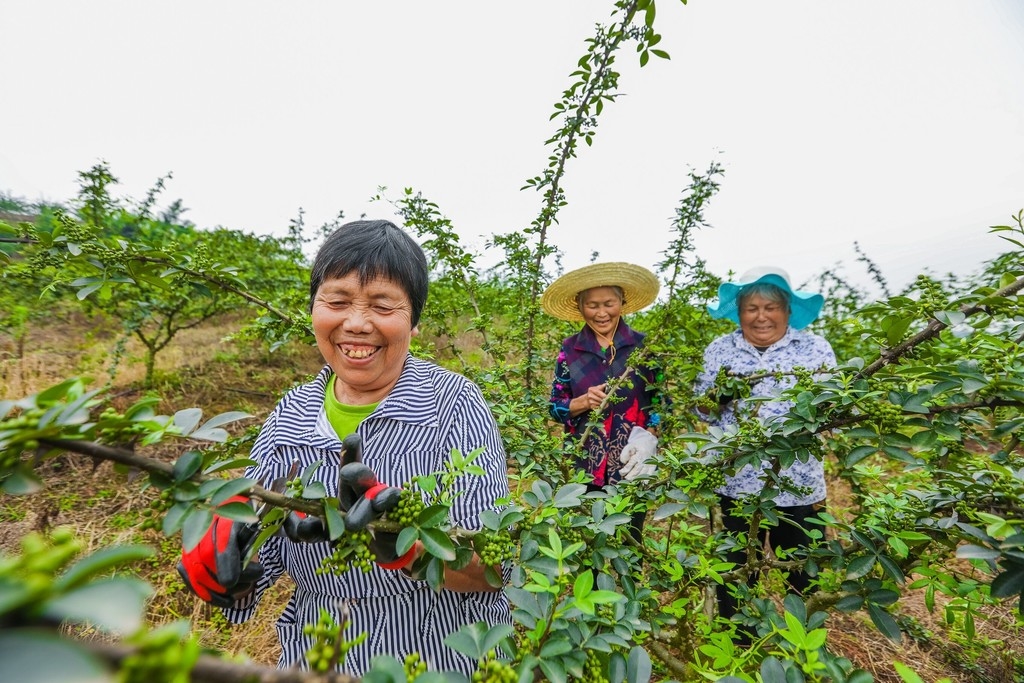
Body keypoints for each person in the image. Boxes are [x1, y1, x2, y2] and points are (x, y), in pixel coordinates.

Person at [178, 219, 511, 676]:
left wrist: (409, 544)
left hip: (441, 656)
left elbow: (494, 570)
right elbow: (261, 558)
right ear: (315, 310)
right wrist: (222, 567)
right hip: (320, 656)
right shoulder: (289, 415)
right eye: (336, 301)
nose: (356, 323)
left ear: (413, 322)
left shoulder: (453, 406)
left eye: (382, 304)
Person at [695, 266, 837, 631]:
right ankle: (737, 644)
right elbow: (703, 411)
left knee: (804, 573)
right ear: (738, 312)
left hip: (799, 485)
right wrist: (716, 399)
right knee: (737, 573)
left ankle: (804, 646)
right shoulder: (720, 349)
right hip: (736, 483)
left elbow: (835, 410)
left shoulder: (815, 348)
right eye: (751, 308)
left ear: (788, 310)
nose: (761, 316)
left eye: (771, 307)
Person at [541, 262, 665, 538]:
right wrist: (582, 402)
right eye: (592, 305)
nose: (601, 313)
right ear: (580, 305)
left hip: (632, 463)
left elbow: (659, 405)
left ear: (622, 302)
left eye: (608, 303)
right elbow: (555, 407)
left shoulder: (643, 348)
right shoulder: (570, 350)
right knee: (591, 543)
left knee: (632, 543)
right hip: (586, 465)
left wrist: (649, 440)